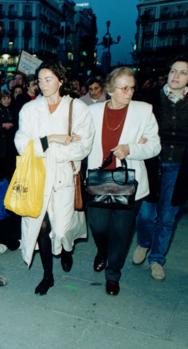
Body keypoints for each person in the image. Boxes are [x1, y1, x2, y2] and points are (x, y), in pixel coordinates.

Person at [14, 61, 94, 295]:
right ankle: (47, 275)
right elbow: (21, 143)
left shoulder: (77, 108)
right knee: (41, 225)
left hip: (63, 176)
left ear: (60, 80)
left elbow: (83, 146)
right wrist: (53, 139)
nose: (43, 84)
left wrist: (48, 150)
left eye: (48, 79)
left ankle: (67, 249)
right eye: (39, 80)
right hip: (36, 175)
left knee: (61, 228)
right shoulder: (29, 110)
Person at [87, 67, 161, 295]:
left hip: (129, 183)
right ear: (110, 90)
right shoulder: (92, 111)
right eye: (124, 88)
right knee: (98, 226)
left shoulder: (144, 111)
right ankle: (103, 250)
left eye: (132, 87)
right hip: (98, 178)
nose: (129, 93)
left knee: (121, 232)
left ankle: (113, 274)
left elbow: (154, 146)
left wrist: (132, 148)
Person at [134, 57, 188, 281]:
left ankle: (156, 259)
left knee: (167, 216)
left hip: (180, 166)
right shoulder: (149, 97)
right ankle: (144, 242)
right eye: (173, 71)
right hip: (152, 163)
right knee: (146, 214)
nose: (176, 76)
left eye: (183, 72)